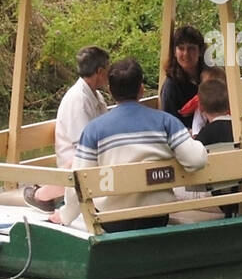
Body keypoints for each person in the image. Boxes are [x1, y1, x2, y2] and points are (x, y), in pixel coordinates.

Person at [51, 57, 207, 232]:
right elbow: (197, 160)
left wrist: (65, 215)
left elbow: (79, 180)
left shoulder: (93, 130)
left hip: (113, 219)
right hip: (156, 218)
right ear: (141, 89)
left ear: (110, 91)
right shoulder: (166, 122)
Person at [24, 46, 109, 212]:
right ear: (100, 71)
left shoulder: (97, 96)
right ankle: (42, 196)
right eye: (108, 69)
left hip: (94, 156)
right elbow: (84, 147)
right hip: (76, 162)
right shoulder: (77, 99)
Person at [195, 79, 242, 216]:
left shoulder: (205, 134)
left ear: (200, 107)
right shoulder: (241, 128)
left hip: (226, 200)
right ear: (229, 103)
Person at [159, 24, 206, 126]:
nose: (186, 53)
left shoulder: (211, 76)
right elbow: (170, 124)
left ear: (200, 51)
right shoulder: (171, 86)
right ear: (174, 52)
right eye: (181, 48)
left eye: (191, 48)